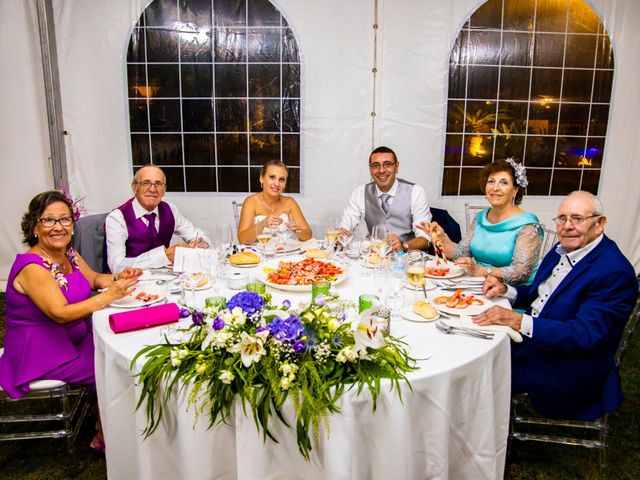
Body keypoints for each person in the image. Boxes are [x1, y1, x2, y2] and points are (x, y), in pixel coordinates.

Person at [473, 191, 638, 420]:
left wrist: (517, 320)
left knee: (478, 370)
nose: (567, 226)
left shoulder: (613, 272)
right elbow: (538, 296)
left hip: (566, 366)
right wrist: (505, 290)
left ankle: (486, 438)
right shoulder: (563, 248)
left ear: (599, 224)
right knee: (470, 337)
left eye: (577, 218)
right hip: (537, 341)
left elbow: (583, 335)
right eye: (562, 218)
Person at [0, 190, 142, 451]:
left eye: (64, 220)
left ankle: (109, 425)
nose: (58, 227)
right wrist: (109, 297)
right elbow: (60, 313)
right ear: (34, 227)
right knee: (112, 368)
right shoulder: (32, 267)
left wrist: (119, 277)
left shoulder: (69, 254)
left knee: (117, 352)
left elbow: (96, 279)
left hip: (73, 337)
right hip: (41, 350)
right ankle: (108, 436)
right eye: (49, 220)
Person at [418, 158, 542, 285]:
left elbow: (521, 272)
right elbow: (460, 254)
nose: (495, 188)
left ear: (515, 190)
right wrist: (441, 237)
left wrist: (481, 271)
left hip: (511, 292)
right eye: (491, 181)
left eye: (503, 183)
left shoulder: (528, 225)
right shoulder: (480, 218)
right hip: (477, 282)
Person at [106, 164, 209, 272]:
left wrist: (201, 244)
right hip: (130, 284)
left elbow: (196, 235)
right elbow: (116, 267)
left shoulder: (171, 210)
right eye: (146, 183)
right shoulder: (117, 218)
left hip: (164, 280)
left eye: (158, 184)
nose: (152, 189)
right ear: (134, 187)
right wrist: (164, 256)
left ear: (164, 190)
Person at [338, 146, 432, 252]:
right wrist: (342, 232)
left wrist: (404, 245)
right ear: (370, 169)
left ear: (396, 167)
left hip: (409, 260)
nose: (381, 170)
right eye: (375, 165)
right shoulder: (360, 192)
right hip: (375, 259)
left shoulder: (416, 191)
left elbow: (425, 240)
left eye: (387, 164)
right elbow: (345, 226)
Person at [237, 161, 312, 244]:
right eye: (272, 177)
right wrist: (263, 223)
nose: (277, 184)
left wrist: (299, 231)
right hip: (259, 254)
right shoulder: (251, 202)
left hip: (285, 253)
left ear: (285, 183)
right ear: (261, 178)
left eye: (281, 179)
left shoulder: (290, 202)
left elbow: (308, 234)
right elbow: (242, 239)